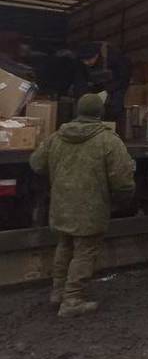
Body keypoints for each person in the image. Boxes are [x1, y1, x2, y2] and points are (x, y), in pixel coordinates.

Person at [29, 93, 135, 317]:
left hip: (61, 205)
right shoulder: (108, 140)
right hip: (91, 207)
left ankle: (58, 293)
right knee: (85, 251)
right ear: (100, 113)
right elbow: (123, 180)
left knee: (65, 245)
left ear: (78, 111)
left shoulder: (57, 136)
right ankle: (73, 299)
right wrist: (122, 199)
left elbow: (36, 163)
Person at [73, 42, 132, 123]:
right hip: (95, 84)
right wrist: (82, 98)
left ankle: (112, 126)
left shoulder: (114, 56)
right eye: (84, 61)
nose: (86, 63)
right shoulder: (80, 62)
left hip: (116, 84)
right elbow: (79, 81)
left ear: (97, 55)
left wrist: (108, 91)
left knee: (115, 106)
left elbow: (124, 78)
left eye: (89, 60)